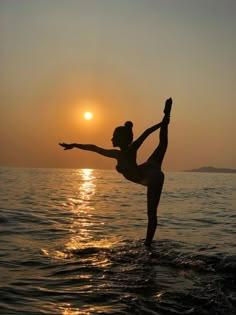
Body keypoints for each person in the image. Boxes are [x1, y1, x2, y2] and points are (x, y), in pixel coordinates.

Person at [59, 98, 172, 247]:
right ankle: (166, 116)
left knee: (151, 214)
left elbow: (146, 133)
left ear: (121, 139)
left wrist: (162, 123)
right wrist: (74, 145)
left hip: (151, 177)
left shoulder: (129, 150)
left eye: (114, 136)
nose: (111, 138)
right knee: (162, 144)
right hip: (148, 167)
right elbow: (94, 148)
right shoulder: (118, 154)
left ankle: (147, 245)